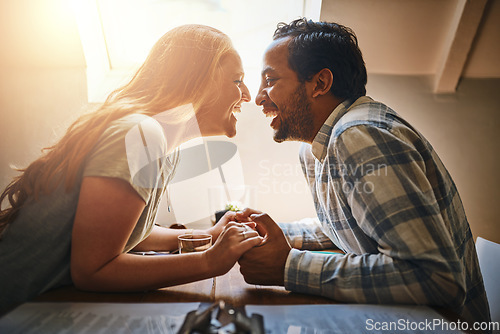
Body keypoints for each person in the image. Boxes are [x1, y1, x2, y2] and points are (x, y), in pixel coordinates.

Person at [237, 18, 491, 326]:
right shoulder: (317, 147)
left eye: (270, 80)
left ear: (320, 83)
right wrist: (263, 231)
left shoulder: (358, 137)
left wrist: (288, 267)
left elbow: (436, 278)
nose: (258, 96)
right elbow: (345, 227)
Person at [0, 24, 262, 315]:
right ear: (198, 82)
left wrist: (210, 235)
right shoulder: (143, 134)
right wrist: (209, 261)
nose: (247, 94)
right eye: (237, 80)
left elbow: (123, 232)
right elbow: (93, 270)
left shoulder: (161, 144)